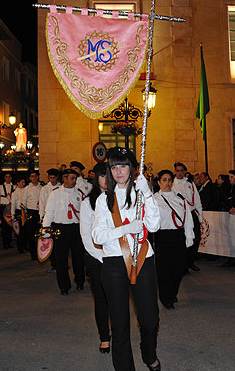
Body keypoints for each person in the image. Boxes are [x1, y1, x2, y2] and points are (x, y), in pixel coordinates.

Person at [92, 147, 161, 371]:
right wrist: (124, 229)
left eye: (122, 165)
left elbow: (154, 226)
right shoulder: (104, 200)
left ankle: (148, 352)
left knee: (150, 320)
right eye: (113, 167)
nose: (118, 171)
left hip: (143, 259)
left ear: (132, 169)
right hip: (113, 262)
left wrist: (148, 194)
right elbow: (97, 235)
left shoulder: (142, 195)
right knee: (120, 324)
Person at [79, 162, 111, 354]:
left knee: (118, 298)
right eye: (102, 175)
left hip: (117, 256)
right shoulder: (87, 202)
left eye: (109, 174)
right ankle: (104, 337)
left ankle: (120, 333)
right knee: (101, 299)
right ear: (96, 178)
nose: (106, 179)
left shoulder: (120, 199)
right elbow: (86, 234)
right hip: (96, 256)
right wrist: (101, 256)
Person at [153, 169, 194, 309]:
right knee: (164, 270)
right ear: (158, 182)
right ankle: (166, 298)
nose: (167, 183)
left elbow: (188, 218)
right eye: (164, 180)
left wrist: (189, 236)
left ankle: (172, 292)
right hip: (162, 237)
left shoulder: (179, 198)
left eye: (169, 180)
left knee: (179, 268)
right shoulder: (153, 199)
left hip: (177, 236)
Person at [42, 168, 85, 295]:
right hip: (60, 228)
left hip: (76, 228)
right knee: (61, 260)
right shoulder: (55, 194)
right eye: (71, 178)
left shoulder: (79, 193)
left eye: (75, 178)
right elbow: (49, 213)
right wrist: (46, 230)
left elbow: (84, 213)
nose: (74, 181)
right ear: (64, 178)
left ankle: (79, 281)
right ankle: (64, 286)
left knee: (78, 258)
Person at [173, 162, 203, 272]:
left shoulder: (190, 183)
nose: (179, 173)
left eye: (181, 170)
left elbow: (197, 199)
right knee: (182, 240)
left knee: (196, 238)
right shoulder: (172, 184)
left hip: (191, 213)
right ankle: (182, 264)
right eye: (177, 170)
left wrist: (200, 214)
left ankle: (191, 261)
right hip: (179, 215)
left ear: (185, 171)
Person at [39, 168, 61, 271]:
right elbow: (42, 204)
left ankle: (60, 263)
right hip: (48, 218)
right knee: (49, 241)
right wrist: (42, 218)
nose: (52, 180)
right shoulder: (45, 189)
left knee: (59, 242)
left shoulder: (61, 187)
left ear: (57, 177)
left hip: (59, 218)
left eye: (54, 177)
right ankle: (54, 264)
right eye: (50, 178)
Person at [21, 170, 43, 259]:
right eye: (32, 176)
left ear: (38, 177)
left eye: (35, 176)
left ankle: (41, 253)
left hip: (40, 212)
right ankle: (33, 254)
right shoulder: (27, 189)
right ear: (30, 178)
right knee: (31, 234)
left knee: (40, 234)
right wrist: (25, 214)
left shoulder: (42, 187)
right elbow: (23, 202)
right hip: (30, 212)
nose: (34, 178)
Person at [0, 172, 15, 249]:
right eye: (6, 177)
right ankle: (5, 243)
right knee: (4, 226)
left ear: (11, 177)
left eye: (9, 177)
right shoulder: (0, 187)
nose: (8, 178)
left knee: (10, 226)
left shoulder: (15, 186)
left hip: (11, 208)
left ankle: (9, 242)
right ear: (4, 178)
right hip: (3, 207)